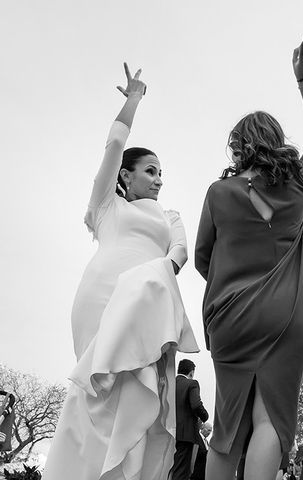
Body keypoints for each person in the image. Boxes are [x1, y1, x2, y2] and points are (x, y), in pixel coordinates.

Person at [42, 63, 198, 480]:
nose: (159, 179)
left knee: (138, 393)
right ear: (125, 176)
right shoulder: (108, 207)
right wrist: (133, 99)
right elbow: (113, 144)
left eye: (162, 172)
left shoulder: (170, 215)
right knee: (97, 392)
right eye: (150, 170)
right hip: (99, 295)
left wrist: (155, 277)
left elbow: (180, 252)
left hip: (148, 301)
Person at [195, 36, 303, 480]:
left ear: (239, 148)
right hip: (285, 316)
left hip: (231, 317)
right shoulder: (297, 186)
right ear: (273, 142)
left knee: (227, 427)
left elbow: (203, 258)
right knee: (269, 419)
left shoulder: (219, 193)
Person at [172, 359, 209, 479]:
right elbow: (196, 404)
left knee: (173, 467)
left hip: (170, 431)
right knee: (182, 471)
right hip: (185, 434)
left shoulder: (170, 383)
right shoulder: (191, 383)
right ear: (191, 372)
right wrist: (205, 416)